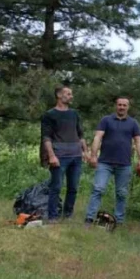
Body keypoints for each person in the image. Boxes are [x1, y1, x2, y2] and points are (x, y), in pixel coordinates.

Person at [85, 96, 140, 226]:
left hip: (124, 164)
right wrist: (93, 155)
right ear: (116, 106)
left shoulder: (133, 123)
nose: (122, 107)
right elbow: (97, 137)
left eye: (124, 105)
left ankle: (118, 221)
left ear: (128, 107)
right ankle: (89, 218)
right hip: (104, 162)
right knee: (98, 189)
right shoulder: (106, 120)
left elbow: (138, 142)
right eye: (119, 105)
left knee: (122, 193)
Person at [41, 85, 87, 222]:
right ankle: (52, 217)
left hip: (76, 156)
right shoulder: (49, 115)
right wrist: (51, 156)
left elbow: (81, 134)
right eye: (68, 94)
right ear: (59, 95)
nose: (71, 96)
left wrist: (86, 151)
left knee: (73, 188)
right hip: (59, 156)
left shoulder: (74, 114)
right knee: (56, 187)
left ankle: (68, 215)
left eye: (71, 94)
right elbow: (46, 137)